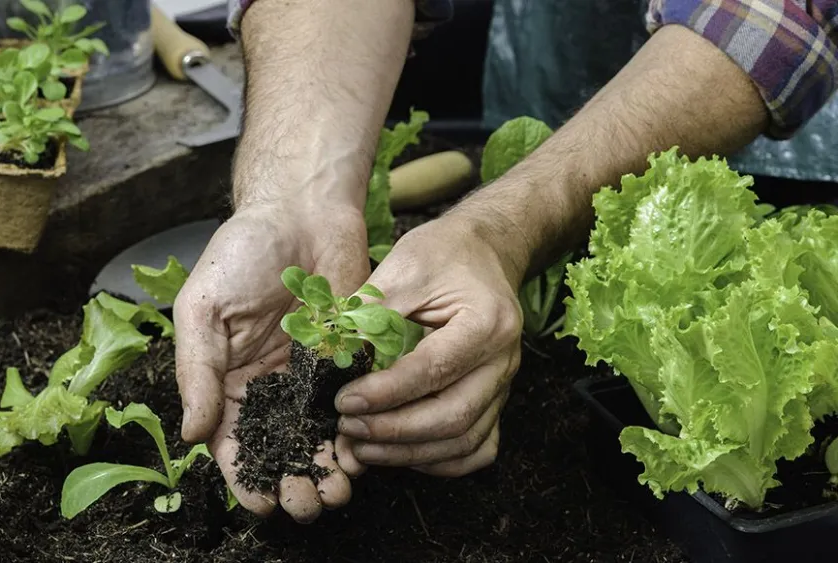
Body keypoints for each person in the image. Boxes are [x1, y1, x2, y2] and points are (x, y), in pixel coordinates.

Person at [172, 0, 838, 524]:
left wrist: (501, 230)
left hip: (784, 139)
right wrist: (295, 195)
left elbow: (767, 19)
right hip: (561, 85)